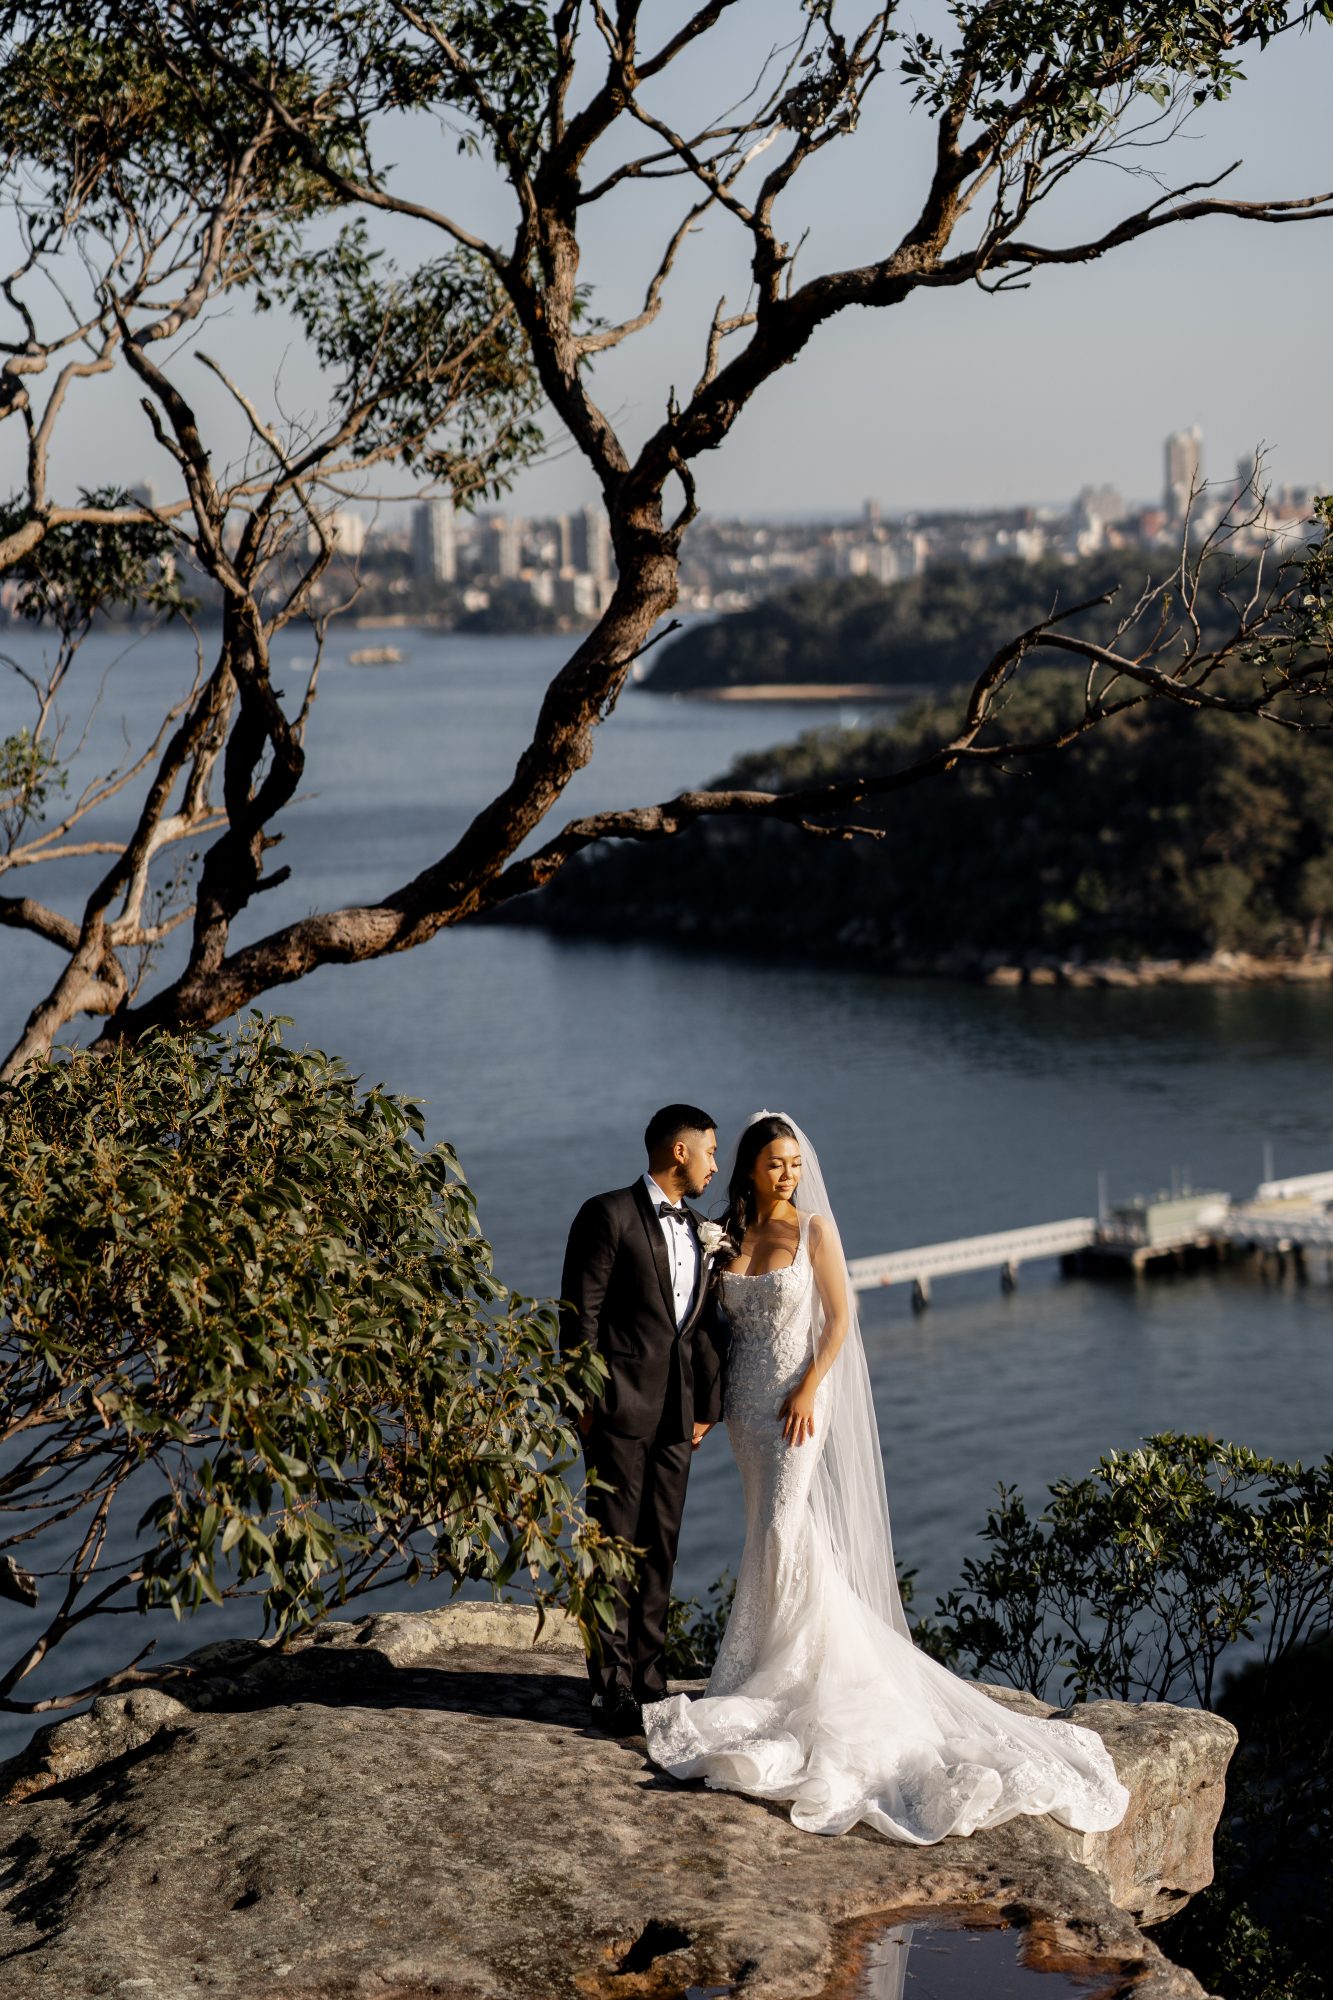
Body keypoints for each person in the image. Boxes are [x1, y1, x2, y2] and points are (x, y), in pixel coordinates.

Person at [643, 1112, 1131, 1845]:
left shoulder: (813, 1232)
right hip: (744, 1408)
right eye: (773, 1164)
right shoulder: (725, 1238)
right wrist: (705, 1408)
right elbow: (708, 1333)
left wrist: (809, 1386)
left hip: (797, 1403)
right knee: (772, 1532)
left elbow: (840, 1319)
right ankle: (765, 1668)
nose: (787, 1174)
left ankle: (802, 1674)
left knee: (781, 1526)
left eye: (793, 1163)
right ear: (748, 1168)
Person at [560, 1105, 729, 1735]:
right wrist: (582, 1403)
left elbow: (706, 1331)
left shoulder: (705, 1229)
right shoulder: (607, 1215)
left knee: (662, 1546)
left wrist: (708, 1408)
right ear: (680, 1152)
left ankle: (651, 1679)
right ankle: (610, 1687)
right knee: (611, 1548)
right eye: (710, 1151)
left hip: (679, 1418)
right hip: (617, 1408)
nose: (717, 1164)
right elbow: (580, 1317)